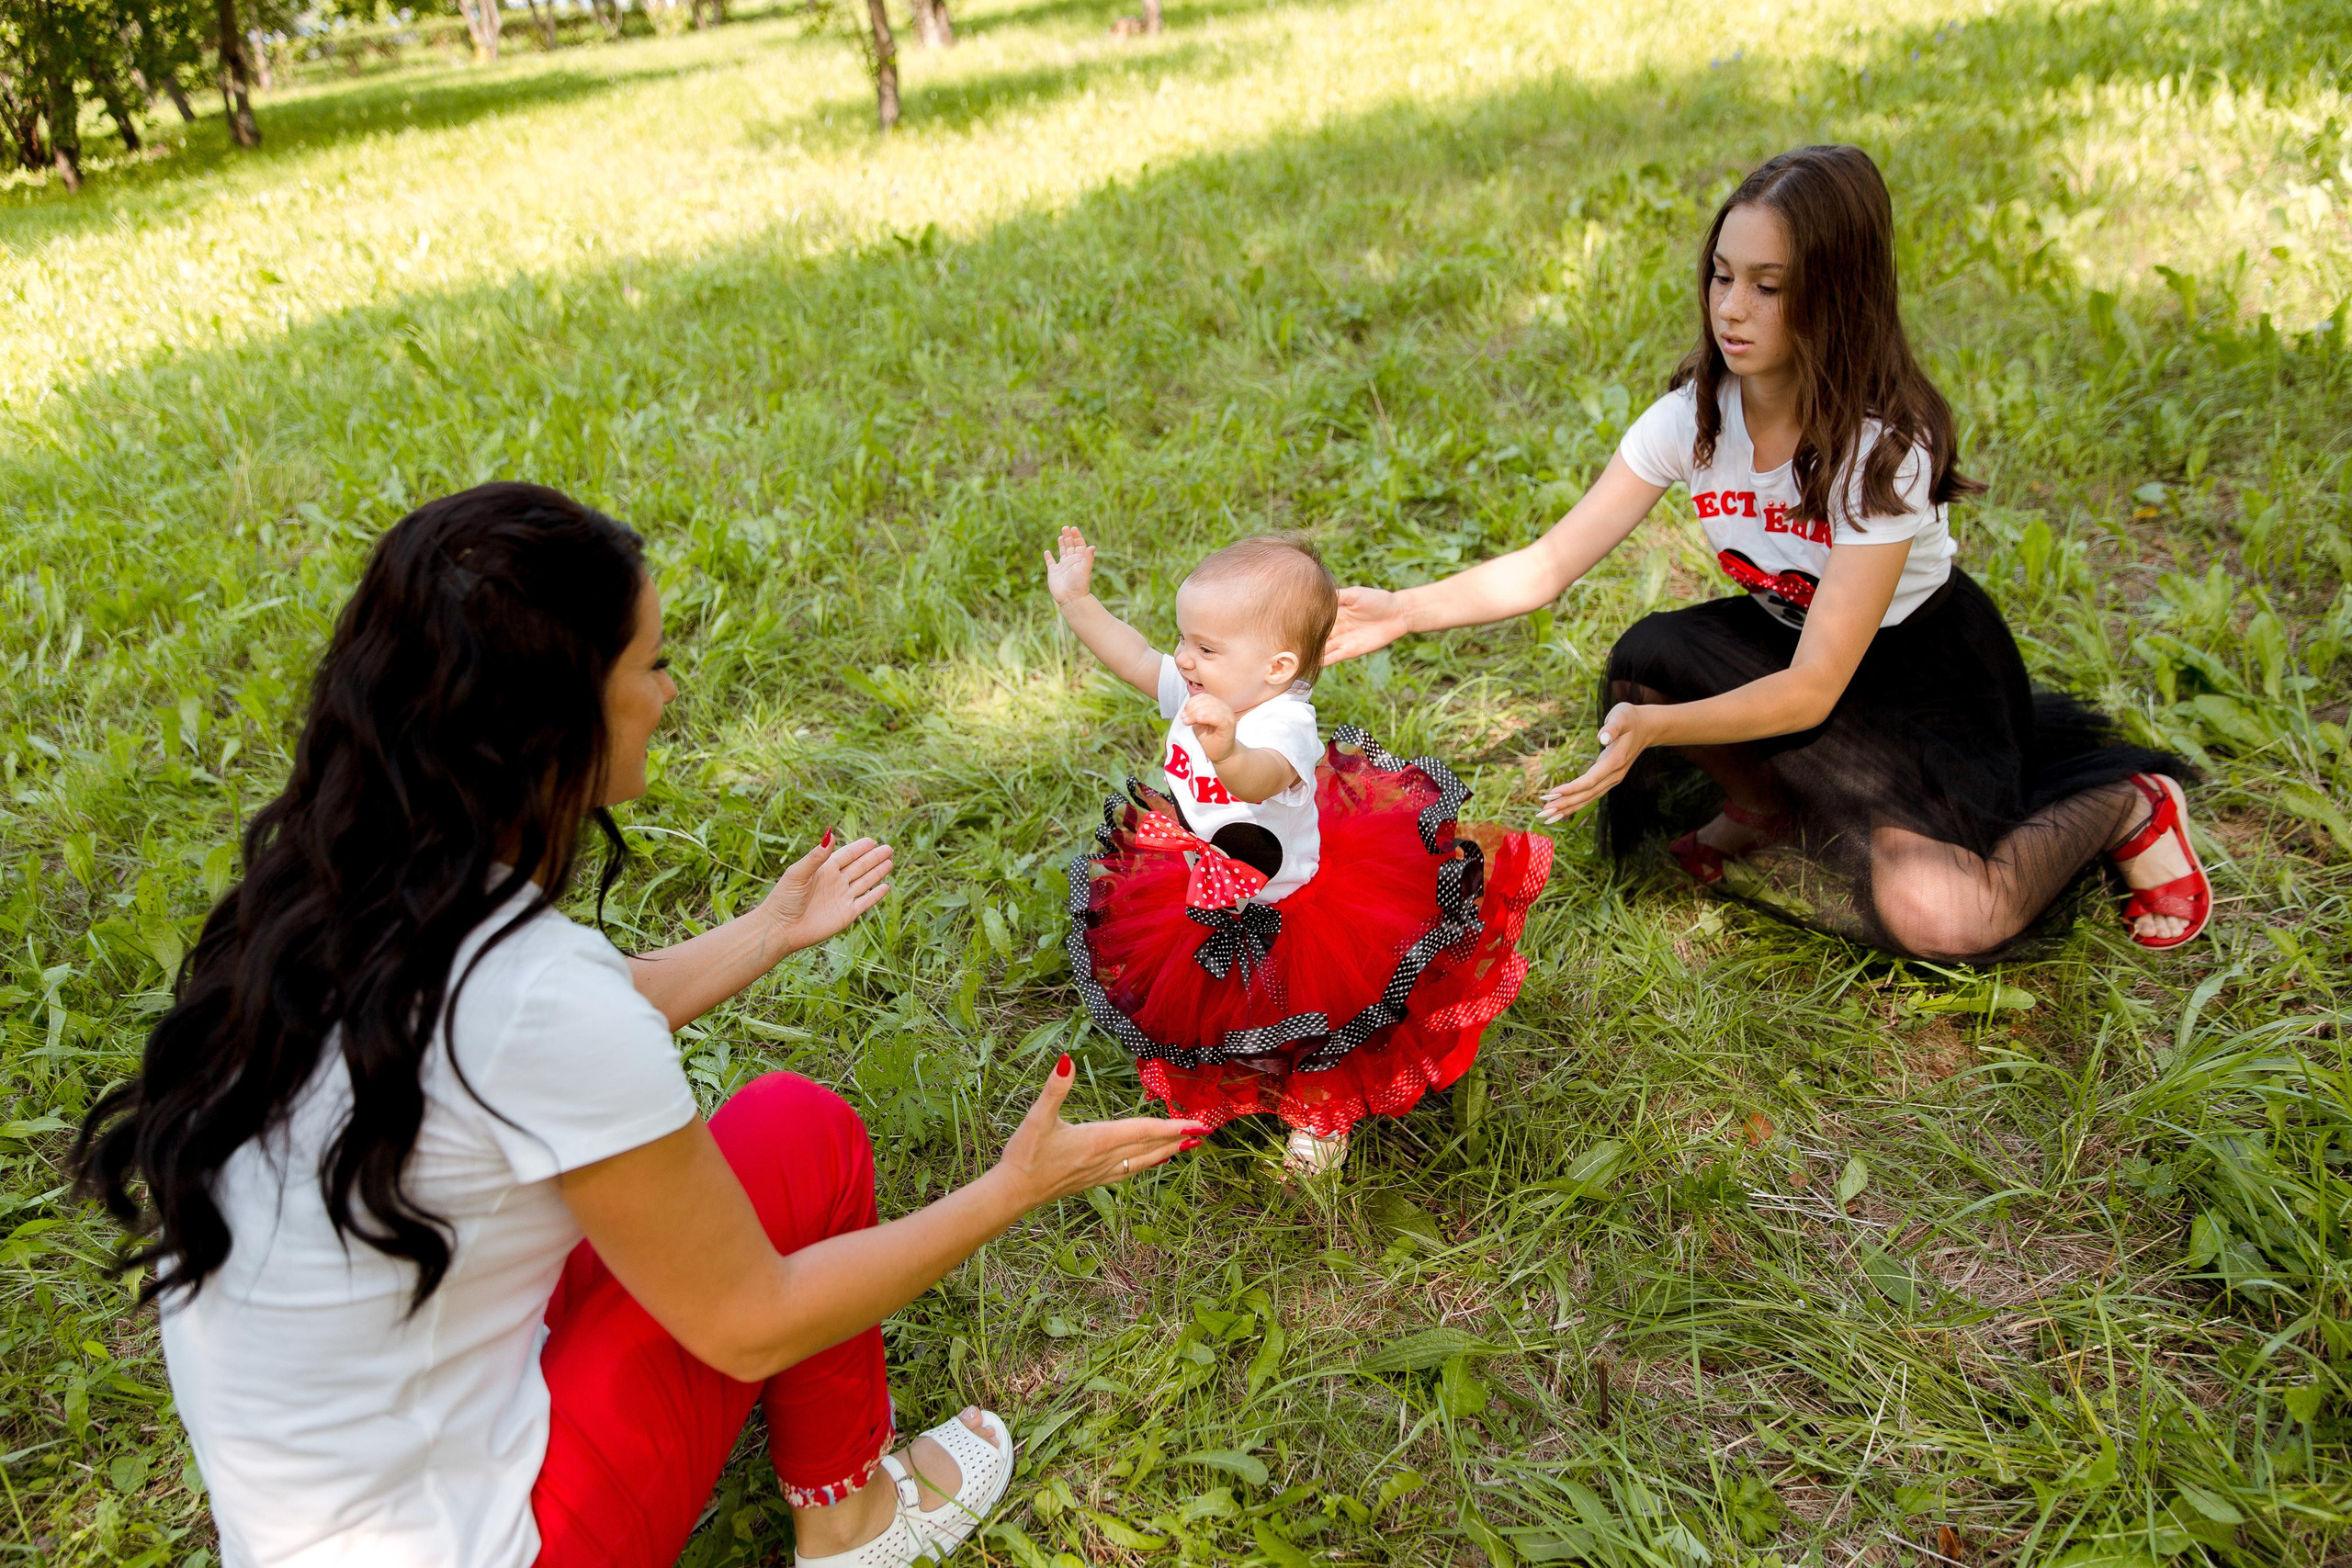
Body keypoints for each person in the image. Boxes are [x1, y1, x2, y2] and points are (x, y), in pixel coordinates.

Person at [73, 484, 1206, 1568]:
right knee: (795, 1165)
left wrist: (770, 929)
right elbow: (751, 1323)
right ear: (552, 718)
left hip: (314, 1519)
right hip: (493, 1549)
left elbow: (567, 1021)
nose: (668, 693)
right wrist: (1011, 1188)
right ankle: (855, 1523)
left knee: (782, 1136)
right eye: (650, 664)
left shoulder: (341, 885)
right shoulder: (535, 994)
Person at [1323, 144, 2211, 963]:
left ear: (1838, 295)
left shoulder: (1881, 449)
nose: (1731, 308)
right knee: (1649, 663)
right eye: (1722, 275)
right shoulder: (1693, 418)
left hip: (1918, 680)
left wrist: (1661, 731)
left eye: (1769, 286)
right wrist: (1406, 609)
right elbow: (1549, 564)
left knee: (1941, 914)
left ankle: (2127, 806)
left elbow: (1816, 687)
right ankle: (1760, 803)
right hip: (1789, 635)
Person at [1046, 527, 1550, 1177]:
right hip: (1208, 888)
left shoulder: (1283, 723)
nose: (1184, 659)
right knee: (1229, 1000)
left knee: (1313, 1014)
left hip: (1296, 908)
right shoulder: (1205, 689)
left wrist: (1227, 750)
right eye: (1183, 639)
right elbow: (1135, 656)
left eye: (1204, 647)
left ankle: (1320, 1116)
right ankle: (1235, 1079)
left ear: (1277, 668)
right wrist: (1077, 602)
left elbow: (1259, 778)